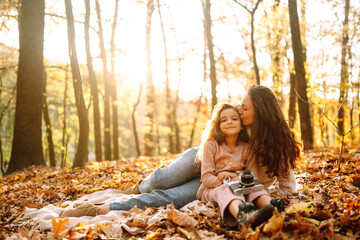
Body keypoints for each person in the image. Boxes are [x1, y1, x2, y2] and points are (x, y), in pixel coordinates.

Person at [60, 85, 301, 220]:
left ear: (259, 112)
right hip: (204, 158)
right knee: (161, 180)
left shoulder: (278, 145)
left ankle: (105, 208)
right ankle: (138, 186)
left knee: (172, 197)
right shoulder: (237, 127)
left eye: (244, 107)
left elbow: (287, 185)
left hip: (218, 182)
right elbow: (218, 127)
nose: (239, 109)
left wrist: (258, 195)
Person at [195, 102, 276, 228]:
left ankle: (275, 210)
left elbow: (254, 176)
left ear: (242, 125)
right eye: (224, 120)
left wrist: (234, 177)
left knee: (255, 188)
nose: (229, 122)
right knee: (228, 189)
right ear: (218, 125)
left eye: (234, 119)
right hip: (212, 189)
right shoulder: (211, 145)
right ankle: (243, 216)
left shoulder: (247, 148)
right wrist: (223, 179)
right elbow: (206, 178)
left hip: (239, 186)